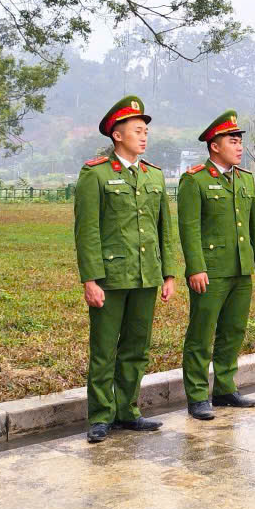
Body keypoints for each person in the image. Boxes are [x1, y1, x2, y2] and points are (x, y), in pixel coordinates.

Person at [73, 96, 177, 444]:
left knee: (137, 347)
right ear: (117, 135)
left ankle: (128, 410)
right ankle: (101, 415)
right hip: (111, 277)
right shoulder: (96, 174)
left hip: (146, 275)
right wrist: (90, 279)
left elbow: (164, 229)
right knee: (104, 349)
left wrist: (168, 273)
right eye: (137, 130)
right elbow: (87, 231)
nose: (143, 136)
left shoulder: (153, 175)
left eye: (145, 131)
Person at [178, 110, 255, 420]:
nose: (239, 147)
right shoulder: (195, 180)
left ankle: (225, 389)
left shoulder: (245, 179)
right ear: (214, 146)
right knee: (201, 334)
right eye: (233, 141)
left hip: (241, 269)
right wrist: (195, 267)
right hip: (211, 271)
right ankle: (196, 396)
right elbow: (189, 228)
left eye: (240, 141)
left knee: (233, 330)